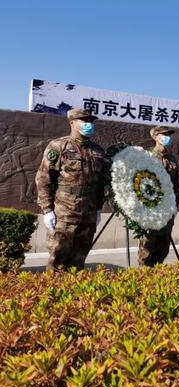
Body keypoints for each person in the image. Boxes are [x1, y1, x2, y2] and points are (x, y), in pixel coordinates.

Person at [35, 108, 110, 270]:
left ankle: (76, 294)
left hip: (88, 213)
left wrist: (98, 209)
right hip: (64, 212)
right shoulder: (59, 146)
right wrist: (47, 210)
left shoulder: (98, 151)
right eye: (84, 121)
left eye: (91, 121)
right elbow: (44, 179)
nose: (89, 125)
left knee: (79, 260)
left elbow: (101, 183)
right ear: (72, 123)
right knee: (58, 259)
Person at [138, 126, 179, 266]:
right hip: (151, 212)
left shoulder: (172, 159)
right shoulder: (146, 157)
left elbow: (176, 186)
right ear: (155, 137)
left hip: (167, 213)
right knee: (147, 250)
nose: (167, 137)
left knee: (163, 249)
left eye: (168, 134)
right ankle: (144, 282)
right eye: (163, 134)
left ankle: (157, 280)